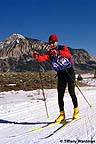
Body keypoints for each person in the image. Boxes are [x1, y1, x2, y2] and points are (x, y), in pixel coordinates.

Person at [33, 34, 80, 122]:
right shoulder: (50, 53)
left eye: (53, 42)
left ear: (57, 41)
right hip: (61, 74)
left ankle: (76, 110)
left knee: (71, 91)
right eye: (50, 43)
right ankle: (62, 114)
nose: (52, 44)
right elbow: (42, 58)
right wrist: (37, 57)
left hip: (69, 71)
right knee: (60, 94)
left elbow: (68, 55)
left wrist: (58, 52)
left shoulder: (63, 48)